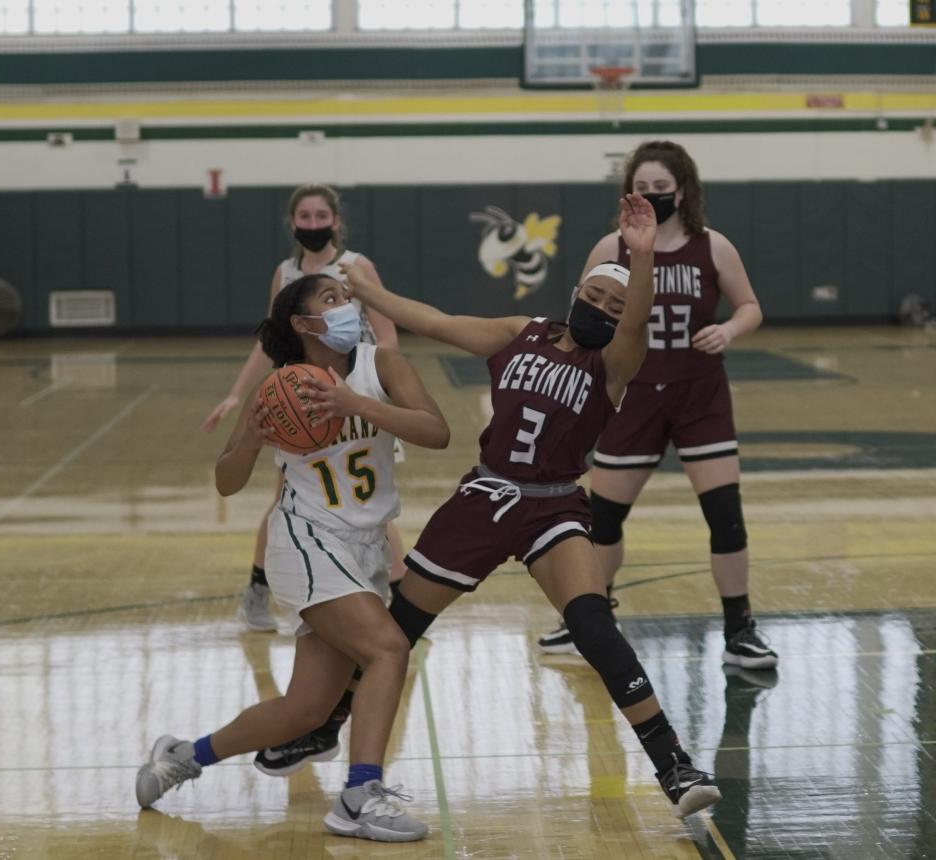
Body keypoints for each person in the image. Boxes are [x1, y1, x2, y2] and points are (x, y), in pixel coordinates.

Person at [258, 192, 722, 821]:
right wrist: (369, 294)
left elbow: (637, 321)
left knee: (593, 625)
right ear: (575, 292)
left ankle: (674, 765)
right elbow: (435, 320)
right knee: (398, 632)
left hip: (554, 506)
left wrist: (638, 257)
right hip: (484, 496)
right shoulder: (519, 333)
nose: (604, 309)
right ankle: (328, 721)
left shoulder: (612, 363)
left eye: (614, 306)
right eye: (595, 295)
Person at [136, 273, 449, 842]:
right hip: (306, 540)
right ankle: (359, 794)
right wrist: (252, 440)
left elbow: (437, 432)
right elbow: (226, 482)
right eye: (331, 299)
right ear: (304, 325)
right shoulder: (278, 390)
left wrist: (355, 403)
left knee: (306, 711)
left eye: (345, 297)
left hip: (365, 548)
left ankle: (183, 756)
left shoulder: (383, 367)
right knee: (388, 649)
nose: (346, 305)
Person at [537, 141, 778, 672]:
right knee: (603, 520)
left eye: (661, 190)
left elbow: (751, 307)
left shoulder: (713, 246)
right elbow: (581, 318)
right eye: (642, 189)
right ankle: (592, 620)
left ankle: (739, 631)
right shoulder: (609, 248)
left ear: (683, 190)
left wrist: (729, 328)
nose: (651, 198)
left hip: (700, 395)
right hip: (631, 398)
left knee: (725, 518)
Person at [201, 183, 407, 632]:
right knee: (293, 498)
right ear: (292, 223)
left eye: (321, 217)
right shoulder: (285, 272)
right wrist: (239, 393)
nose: (313, 224)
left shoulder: (355, 267)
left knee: (367, 497)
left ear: (335, 221)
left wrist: (381, 388)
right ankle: (259, 590)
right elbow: (269, 342)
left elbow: (387, 335)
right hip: (305, 401)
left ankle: (397, 595)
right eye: (305, 217)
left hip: (361, 396)